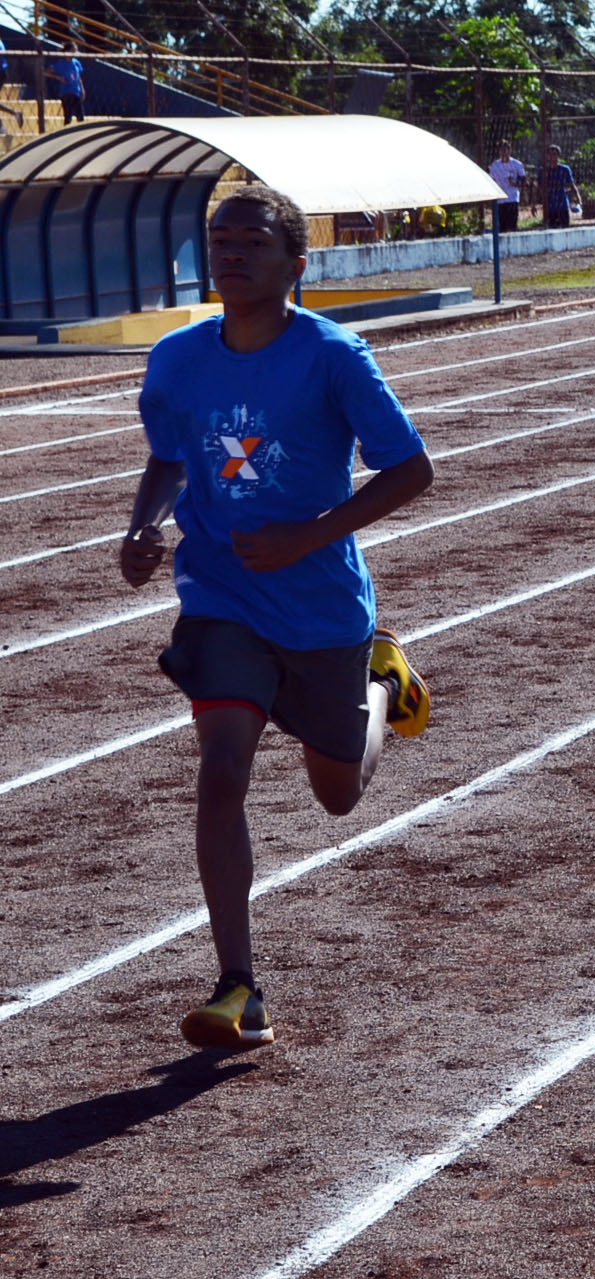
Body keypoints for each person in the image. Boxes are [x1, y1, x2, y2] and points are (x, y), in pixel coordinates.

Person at [117, 185, 435, 1050]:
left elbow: (411, 470)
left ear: (296, 264)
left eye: (252, 242)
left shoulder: (333, 356)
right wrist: (144, 526)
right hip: (220, 597)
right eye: (219, 240)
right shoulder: (179, 359)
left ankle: (380, 680)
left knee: (336, 795)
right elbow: (167, 460)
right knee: (221, 770)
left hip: (322, 604)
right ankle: (239, 986)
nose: (231, 254)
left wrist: (313, 534)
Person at [489, 139, 527, 234]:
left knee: (512, 225)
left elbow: (524, 180)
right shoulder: (495, 165)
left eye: (506, 149)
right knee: (502, 226)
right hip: (500, 199)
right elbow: (491, 180)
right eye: (502, 149)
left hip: (512, 198)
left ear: (510, 150)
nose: (504, 152)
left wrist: (515, 183)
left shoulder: (517, 164)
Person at [543, 144, 581, 228]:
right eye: (550, 154)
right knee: (552, 228)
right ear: (547, 156)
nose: (552, 157)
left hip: (562, 203)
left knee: (565, 227)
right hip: (550, 205)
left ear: (558, 156)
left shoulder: (565, 169)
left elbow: (572, 185)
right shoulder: (544, 171)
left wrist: (578, 198)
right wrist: (534, 204)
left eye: (555, 154)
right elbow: (539, 188)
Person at [45, 51, 84, 125]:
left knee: (80, 115)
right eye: (73, 50)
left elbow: (78, 76)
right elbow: (46, 72)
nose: (75, 52)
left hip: (76, 92)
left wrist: (82, 89)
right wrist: (58, 77)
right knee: (68, 116)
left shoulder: (76, 62)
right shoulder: (61, 63)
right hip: (66, 93)